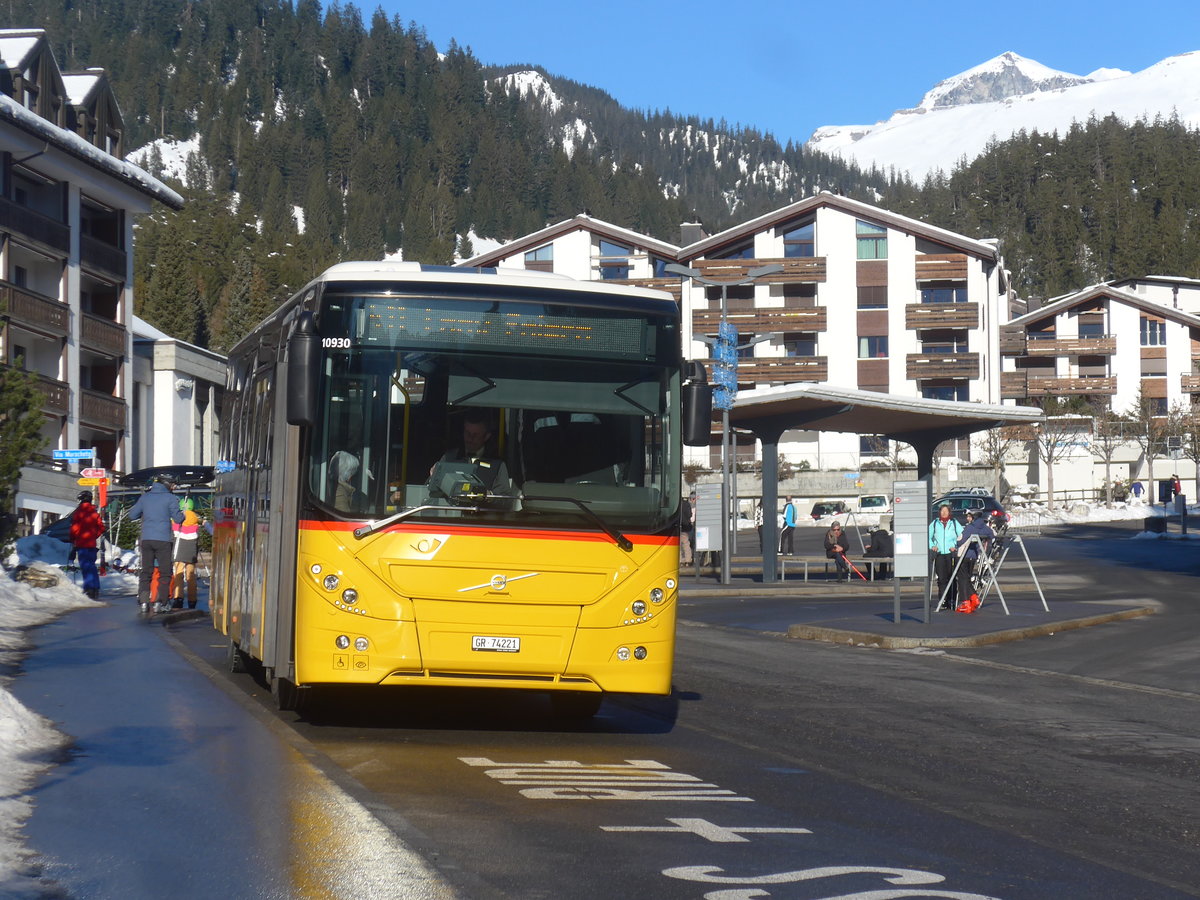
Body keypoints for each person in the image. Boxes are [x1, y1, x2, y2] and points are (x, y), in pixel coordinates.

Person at [127, 476, 185, 615]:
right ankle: (161, 602)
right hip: (163, 539)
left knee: (146, 572)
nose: (173, 487)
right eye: (172, 485)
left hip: (146, 539)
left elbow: (132, 515)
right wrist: (182, 515)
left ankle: (144, 602)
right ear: (167, 485)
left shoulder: (145, 497)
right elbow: (178, 518)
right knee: (165, 572)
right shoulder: (170, 498)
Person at [954, 510, 995, 612]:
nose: (967, 519)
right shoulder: (984, 528)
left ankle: (965, 602)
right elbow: (992, 535)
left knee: (962, 579)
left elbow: (960, 541)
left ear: (973, 517)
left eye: (969, 517)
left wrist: (955, 542)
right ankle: (974, 598)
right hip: (973, 556)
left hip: (963, 554)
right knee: (967, 578)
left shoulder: (970, 527)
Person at [68, 491, 105, 600]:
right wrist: (94, 536)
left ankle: (89, 589)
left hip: (82, 542)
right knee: (92, 565)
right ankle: (95, 588)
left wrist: (72, 538)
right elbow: (101, 528)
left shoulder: (79, 512)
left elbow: (75, 528)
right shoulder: (94, 512)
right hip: (92, 543)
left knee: (85, 566)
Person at [929, 504, 963, 611]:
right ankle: (943, 599)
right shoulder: (935, 523)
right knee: (941, 578)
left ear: (949, 512)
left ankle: (951, 599)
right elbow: (928, 536)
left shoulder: (953, 522)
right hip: (939, 553)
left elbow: (962, 536)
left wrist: (956, 546)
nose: (944, 513)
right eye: (942, 511)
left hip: (950, 553)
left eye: (946, 511)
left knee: (951, 578)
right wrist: (932, 546)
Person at [171, 497, 202, 610]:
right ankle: (192, 600)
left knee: (178, 573)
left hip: (179, 547)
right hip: (191, 548)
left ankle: (178, 599)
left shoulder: (176, 518)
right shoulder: (195, 517)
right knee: (191, 575)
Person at [680, 491, 696, 566]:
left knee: (678, 545)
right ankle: (688, 560)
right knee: (686, 544)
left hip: (676, 527)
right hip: (686, 527)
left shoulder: (674, 504)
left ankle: (680, 560)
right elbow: (689, 514)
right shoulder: (686, 504)